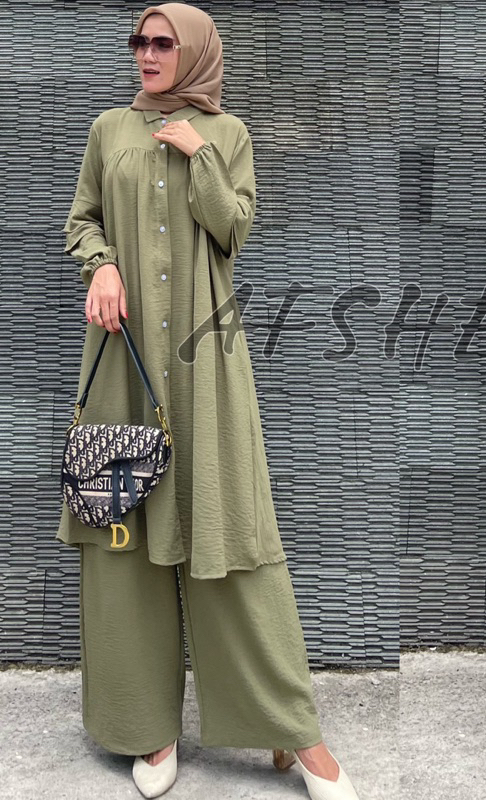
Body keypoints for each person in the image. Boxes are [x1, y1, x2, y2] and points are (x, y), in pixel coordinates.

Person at [59, 4, 360, 799]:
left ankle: (290, 729)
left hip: (206, 361)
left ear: (193, 51)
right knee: (125, 529)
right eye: (140, 41)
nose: (147, 53)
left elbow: (232, 231)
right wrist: (101, 264)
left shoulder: (227, 134)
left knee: (231, 531)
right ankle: (147, 728)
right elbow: (82, 220)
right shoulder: (108, 131)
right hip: (124, 361)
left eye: (163, 42)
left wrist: (199, 155)